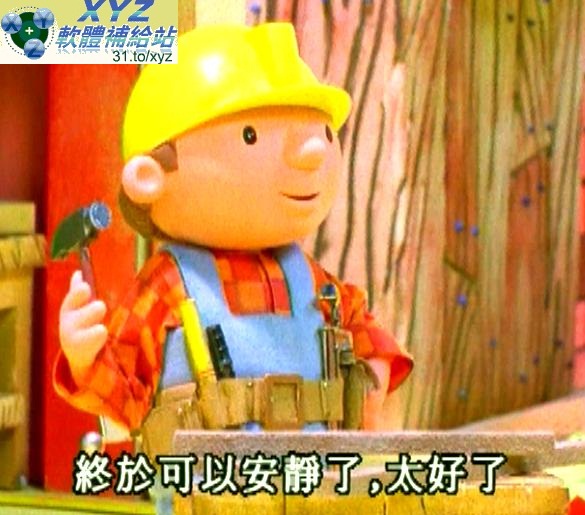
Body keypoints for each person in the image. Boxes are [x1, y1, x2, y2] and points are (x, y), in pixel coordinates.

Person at [53, 23, 413, 460]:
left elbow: (359, 324)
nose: (313, 154)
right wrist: (84, 358)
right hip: (209, 485)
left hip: (314, 477)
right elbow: (127, 392)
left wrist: (374, 368)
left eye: (323, 133)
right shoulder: (170, 285)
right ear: (149, 177)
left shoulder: (307, 278)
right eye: (250, 135)